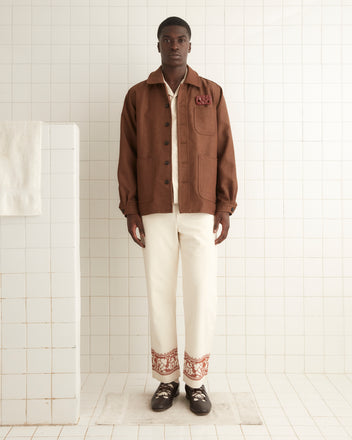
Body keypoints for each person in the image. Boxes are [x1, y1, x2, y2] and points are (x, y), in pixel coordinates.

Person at [117, 16, 238, 416]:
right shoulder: (138, 96)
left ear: (190, 46)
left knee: (202, 293)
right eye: (167, 39)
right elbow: (128, 155)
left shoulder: (212, 94)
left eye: (181, 39)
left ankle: (197, 382)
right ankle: (167, 380)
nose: (174, 45)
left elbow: (223, 151)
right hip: (154, 208)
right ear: (157, 46)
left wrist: (225, 204)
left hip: (201, 207)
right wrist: (130, 206)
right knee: (159, 294)